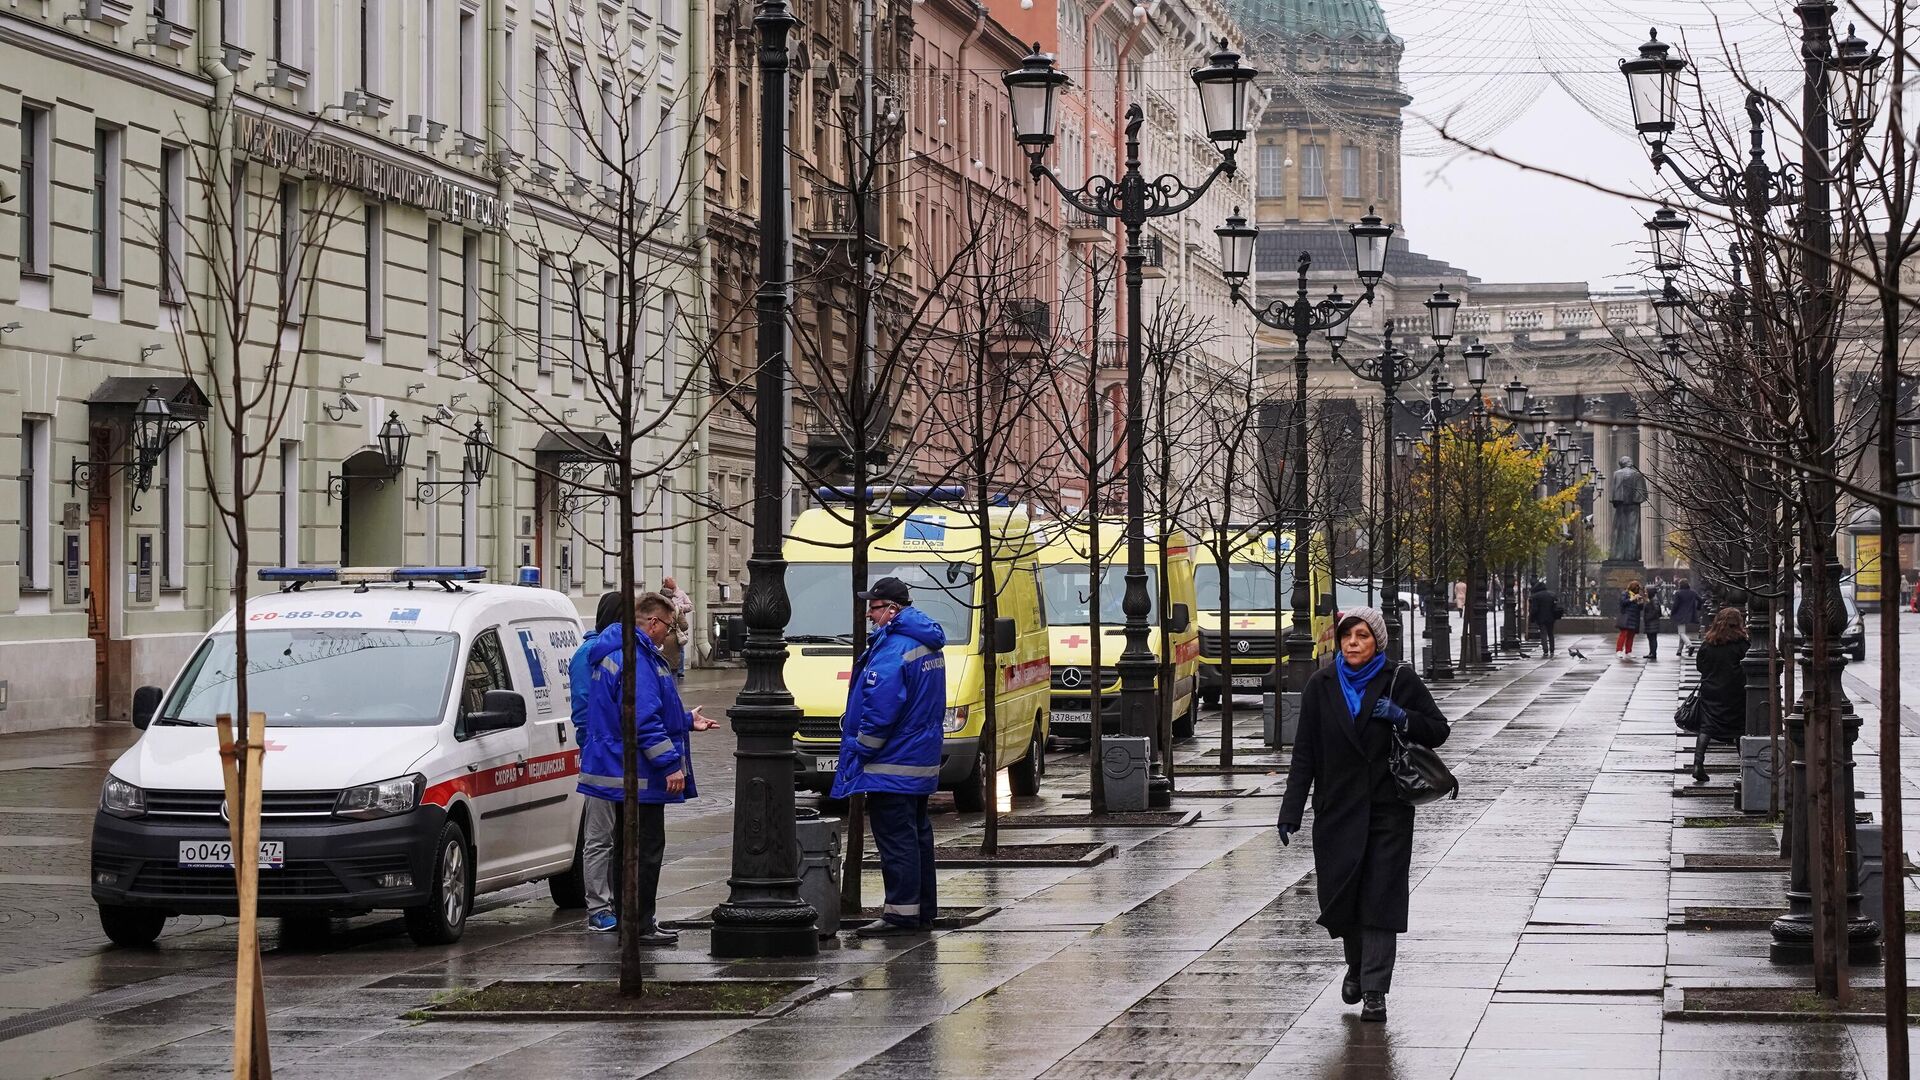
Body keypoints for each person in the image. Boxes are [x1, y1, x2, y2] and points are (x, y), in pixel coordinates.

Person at [1275, 606, 1450, 1023]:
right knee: (1343, 897)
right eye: (1347, 636)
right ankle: (1355, 965)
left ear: (1377, 642)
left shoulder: (1397, 680)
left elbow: (1438, 729)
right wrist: (1291, 809)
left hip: (1386, 810)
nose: (1353, 643)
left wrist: (1401, 716)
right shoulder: (1321, 684)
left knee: (1380, 897)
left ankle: (1374, 990)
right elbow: (1305, 754)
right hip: (1336, 812)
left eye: (1362, 636)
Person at [577, 592, 715, 942]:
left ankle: (630, 921)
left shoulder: (619, 653)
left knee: (628, 850)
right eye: (668, 627)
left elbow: (644, 711)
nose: (669, 634)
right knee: (645, 850)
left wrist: (684, 720)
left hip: (621, 769)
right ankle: (639, 924)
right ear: (652, 622)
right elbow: (643, 719)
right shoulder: (637, 658)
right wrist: (670, 765)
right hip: (639, 774)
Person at [832, 576, 948, 937]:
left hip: (891, 764)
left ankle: (900, 915)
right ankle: (921, 910)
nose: (869, 613)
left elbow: (881, 708)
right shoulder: (926, 642)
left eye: (875, 607)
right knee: (917, 837)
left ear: (893, 609)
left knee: (896, 840)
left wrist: (860, 749)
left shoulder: (895, 647)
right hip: (918, 759)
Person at [1690, 607, 1750, 783]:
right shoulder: (1742, 644)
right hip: (1735, 693)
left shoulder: (1709, 642)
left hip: (1711, 692)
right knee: (1740, 729)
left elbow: (1700, 666)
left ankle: (1698, 764)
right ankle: (1745, 768)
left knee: (1707, 727)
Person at [660, 576, 694, 679]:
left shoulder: (655, 609)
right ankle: (676, 673)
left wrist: (681, 607)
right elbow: (685, 626)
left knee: (662, 667)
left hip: (660, 637)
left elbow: (690, 606)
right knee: (674, 663)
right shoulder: (675, 610)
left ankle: (679, 671)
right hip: (674, 635)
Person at [1528, 580, 1564, 657]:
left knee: (1543, 633)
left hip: (1541, 618)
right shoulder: (1552, 595)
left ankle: (1545, 650)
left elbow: (1534, 609)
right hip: (1551, 618)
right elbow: (1555, 607)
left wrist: (1532, 618)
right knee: (1550, 633)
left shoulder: (1535, 596)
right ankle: (1552, 650)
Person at [1671, 579, 1702, 657]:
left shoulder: (1678, 593)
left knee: (1681, 633)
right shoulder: (1693, 592)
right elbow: (1700, 600)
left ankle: (1689, 645)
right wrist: (1698, 608)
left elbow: (1675, 605)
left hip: (1680, 615)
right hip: (1690, 614)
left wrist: (1672, 613)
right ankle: (1679, 650)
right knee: (1682, 632)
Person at [1615, 581, 1645, 659]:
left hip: (1634, 617)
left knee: (1631, 635)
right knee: (1623, 634)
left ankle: (1628, 651)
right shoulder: (1625, 593)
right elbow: (1622, 603)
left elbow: (1640, 608)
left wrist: (1640, 602)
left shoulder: (1637, 595)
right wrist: (1632, 599)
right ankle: (1619, 650)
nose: (1637, 590)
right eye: (1636, 588)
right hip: (1626, 617)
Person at [1642, 585, 1664, 662]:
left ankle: (1653, 653)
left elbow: (1656, 611)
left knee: (1652, 638)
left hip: (1652, 622)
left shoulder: (1653, 600)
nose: (1645, 593)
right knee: (1651, 638)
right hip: (1651, 622)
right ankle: (1651, 652)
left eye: (1646, 591)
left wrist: (1648, 617)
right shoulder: (1651, 599)